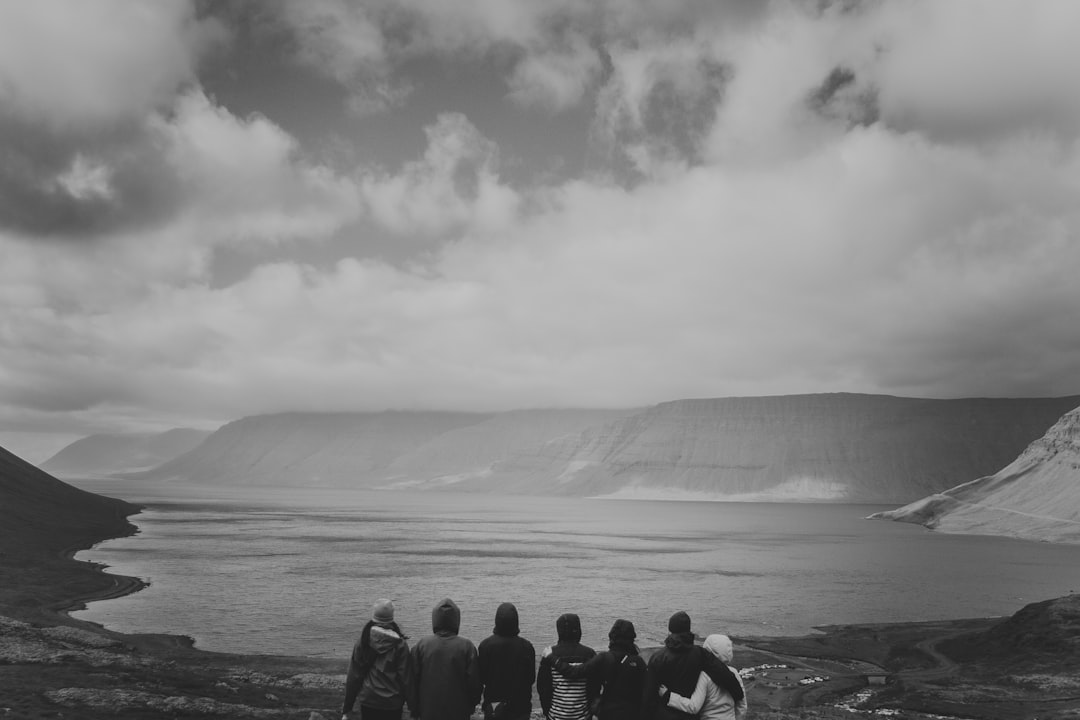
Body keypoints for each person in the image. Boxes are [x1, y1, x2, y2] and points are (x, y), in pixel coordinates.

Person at [643, 611, 745, 720]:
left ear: (670, 630)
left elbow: (649, 694)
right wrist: (737, 693)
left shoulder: (657, 657)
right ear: (688, 629)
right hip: (689, 715)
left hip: (664, 714)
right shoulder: (700, 653)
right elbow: (723, 674)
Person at [554, 618, 647, 720]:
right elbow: (647, 691)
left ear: (612, 636)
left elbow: (574, 672)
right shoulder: (638, 662)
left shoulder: (604, 658)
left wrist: (552, 658)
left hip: (608, 712)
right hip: (632, 712)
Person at [410, 597, 482, 720]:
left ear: (435, 619)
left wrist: (415, 708)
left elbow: (412, 681)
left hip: (428, 710)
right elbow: (474, 683)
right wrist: (471, 705)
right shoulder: (467, 646)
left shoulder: (421, 645)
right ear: (456, 620)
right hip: (459, 711)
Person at [341, 599, 414, 720]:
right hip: (393, 702)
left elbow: (354, 676)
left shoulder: (364, 641)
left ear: (374, 617)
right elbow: (406, 679)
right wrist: (413, 708)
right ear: (392, 617)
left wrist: (347, 708)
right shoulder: (400, 644)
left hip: (369, 699)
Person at [658, 634, 747, 720]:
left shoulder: (704, 675)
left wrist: (668, 696)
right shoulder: (734, 672)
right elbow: (742, 705)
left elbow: (693, 707)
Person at [478, 602, 536, 720]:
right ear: (516, 622)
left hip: (493, 707)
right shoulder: (527, 647)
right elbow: (531, 678)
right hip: (520, 708)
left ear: (496, 621)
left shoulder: (485, 646)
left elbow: (482, 678)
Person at [537, 613, 598, 720]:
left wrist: (547, 712)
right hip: (584, 715)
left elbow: (543, 688)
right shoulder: (589, 654)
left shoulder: (550, 654)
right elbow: (594, 687)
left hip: (555, 715)